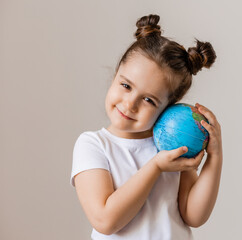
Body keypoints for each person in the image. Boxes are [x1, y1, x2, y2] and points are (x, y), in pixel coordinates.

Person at [70, 14, 223, 240]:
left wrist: (215, 157)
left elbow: (194, 216)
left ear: (168, 107)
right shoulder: (93, 145)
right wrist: (155, 167)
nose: (130, 104)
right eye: (126, 85)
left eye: (149, 100)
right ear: (115, 75)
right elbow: (105, 220)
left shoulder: (173, 144)